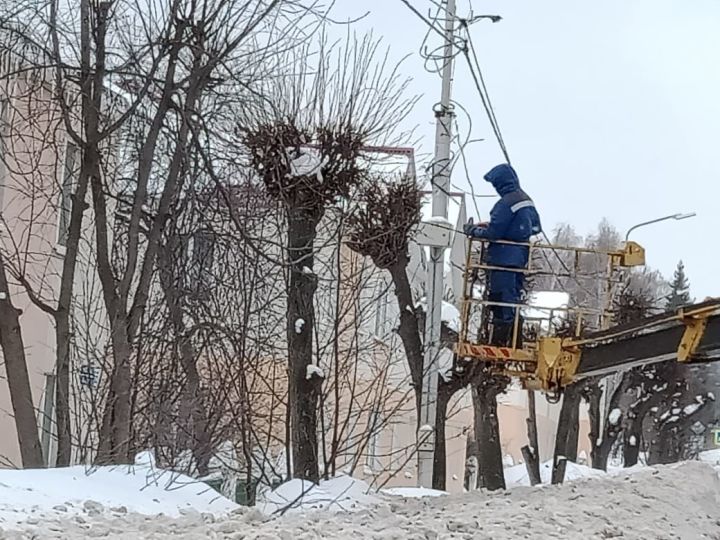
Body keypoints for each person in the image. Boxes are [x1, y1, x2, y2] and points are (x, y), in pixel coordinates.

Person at [464, 163, 542, 346]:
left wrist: (474, 231)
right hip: (520, 259)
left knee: (501, 301)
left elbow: (494, 234)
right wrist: (514, 231)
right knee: (513, 301)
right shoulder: (526, 199)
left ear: (500, 183)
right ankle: (515, 341)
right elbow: (536, 227)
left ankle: (499, 344)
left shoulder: (505, 203)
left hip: (502, 261)